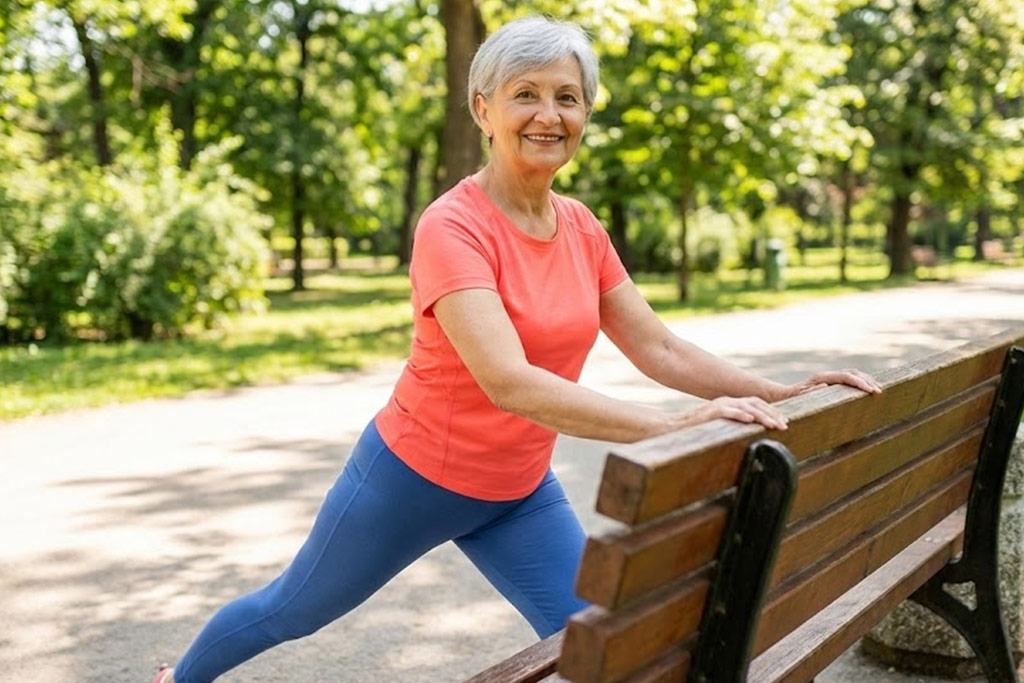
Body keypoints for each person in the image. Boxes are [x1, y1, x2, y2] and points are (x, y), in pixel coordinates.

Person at [152, 16, 882, 683]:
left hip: (517, 494)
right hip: (408, 480)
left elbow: (657, 345)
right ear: (483, 108)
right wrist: (669, 426)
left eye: (567, 97)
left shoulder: (582, 226)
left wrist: (779, 391)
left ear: (586, 115)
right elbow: (510, 382)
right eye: (524, 93)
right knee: (292, 611)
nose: (548, 114)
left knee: (598, 648)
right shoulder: (453, 227)